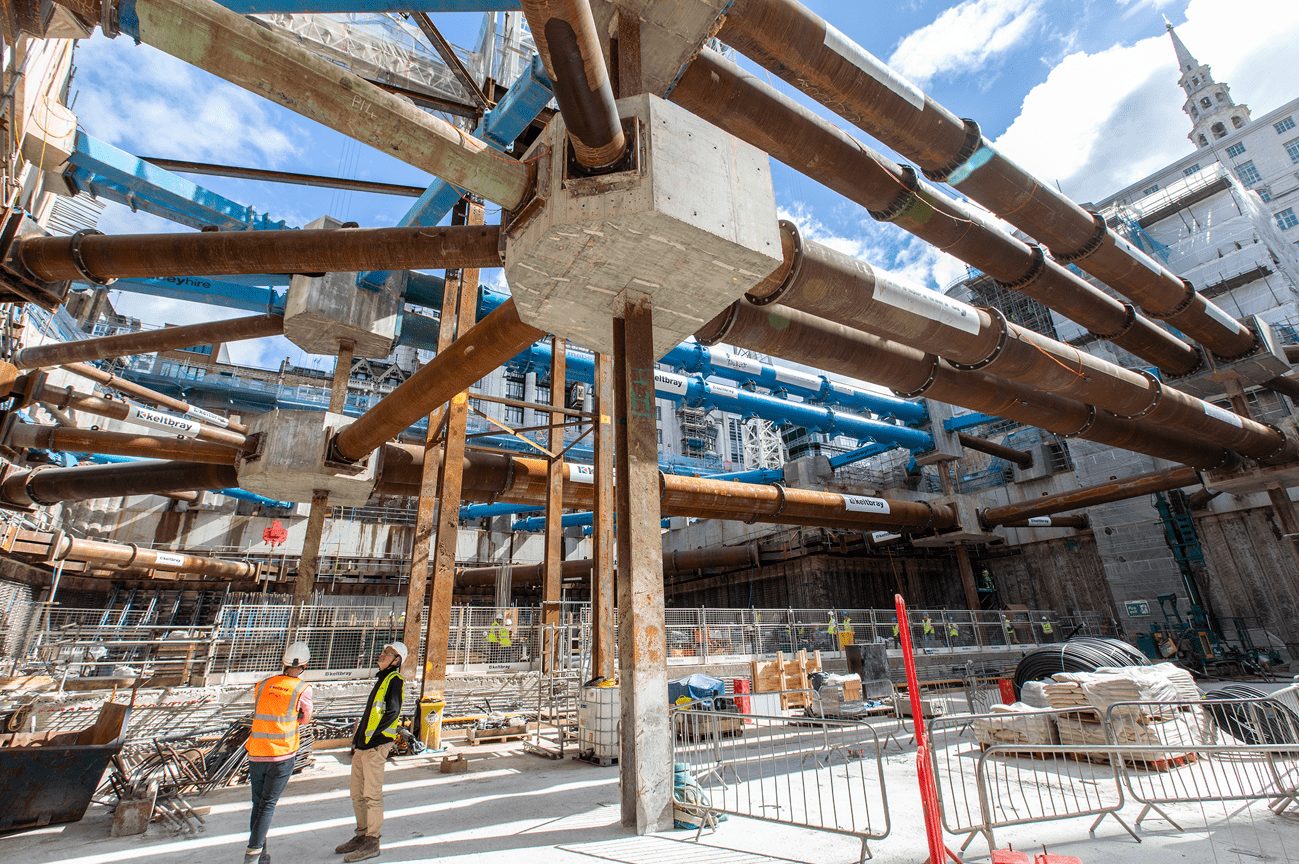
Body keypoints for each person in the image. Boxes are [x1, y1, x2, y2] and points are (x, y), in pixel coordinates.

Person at [335, 642, 407, 862]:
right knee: (357, 793)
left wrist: (373, 738)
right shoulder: (382, 680)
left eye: (387, 653)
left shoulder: (395, 680)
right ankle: (362, 834)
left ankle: (372, 841)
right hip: (363, 745)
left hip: (375, 746)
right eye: (384, 652)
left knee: (372, 795)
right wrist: (359, 740)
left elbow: (392, 712)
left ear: (396, 660)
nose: (382, 655)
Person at [243, 641, 313, 864]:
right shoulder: (302, 689)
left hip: (257, 752)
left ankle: (260, 854)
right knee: (267, 805)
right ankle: (253, 855)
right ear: (305, 665)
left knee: (258, 804)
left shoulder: (263, 685)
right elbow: (305, 718)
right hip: (282, 754)